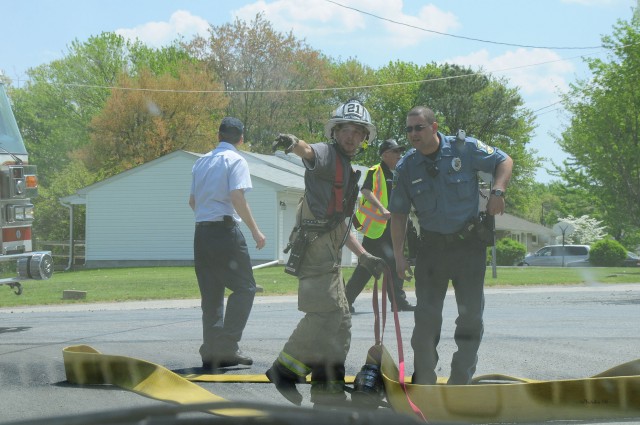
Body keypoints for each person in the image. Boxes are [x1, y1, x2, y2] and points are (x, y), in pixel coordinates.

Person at [268, 99, 386, 408]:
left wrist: (363, 255)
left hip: (328, 250)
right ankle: (284, 370)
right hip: (315, 251)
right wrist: (294, 144)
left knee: (341, 321)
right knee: (328, 314)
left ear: (364, 139)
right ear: (334, 132)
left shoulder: (346, 170)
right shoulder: (325, 154)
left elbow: (341, 224)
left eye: (358, 132)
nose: (351, 136)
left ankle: (327, 387)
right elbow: (308, 152)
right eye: (345, 129)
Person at [389, 106, 513, 386]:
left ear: (434, 127)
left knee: (470, 318)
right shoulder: (406, 166)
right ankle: (424, 381)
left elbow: (504, 160)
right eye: (408, 129)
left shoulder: (464, 149)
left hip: (468, 247)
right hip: (431, 250)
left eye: (418, 128)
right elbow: (398, 214)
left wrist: (498, 191)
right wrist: (399, 256)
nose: (412, 134)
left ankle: (461, 380)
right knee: (426, 319)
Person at [189, 116, 266, 371]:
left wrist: (207, 220)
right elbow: (236, 196)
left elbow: (193, 202)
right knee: (245, 289)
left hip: (202, 233)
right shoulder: (236, 160)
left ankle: (210, 351)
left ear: (218, 135)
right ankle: (228, 346)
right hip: (225, 232)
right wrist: (255, 231)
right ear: (241, 139)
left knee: (211, 296)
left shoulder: (200, 162)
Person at [345, 139, 415, 313]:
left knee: (395, 262)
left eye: (400, 151)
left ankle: (398, 302)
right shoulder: (375, 171)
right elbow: (366, 191)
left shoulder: (400, 173)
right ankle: (346, 301)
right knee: (367, 266)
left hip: (395, 227)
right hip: (378, 229)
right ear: (385, 155)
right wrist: (382, 208)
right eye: (395, 152)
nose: (399, 155)